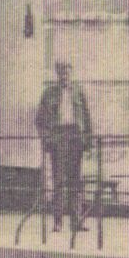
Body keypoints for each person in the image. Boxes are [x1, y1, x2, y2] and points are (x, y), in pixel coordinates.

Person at [35, 57, 96, 235]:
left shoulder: (78, 91)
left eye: (67, 71)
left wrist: (89, 142)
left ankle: (77, 221)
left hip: (76, 137)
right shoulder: (49, 93)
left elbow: (87, 117)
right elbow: (39, 120)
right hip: (58, 137)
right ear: (57, 74)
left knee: (76, 181)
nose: (64, 75)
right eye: (61, 71)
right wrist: (47, 139)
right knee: (59, 180)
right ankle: (58, 222)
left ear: (71, 72)